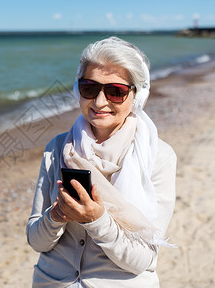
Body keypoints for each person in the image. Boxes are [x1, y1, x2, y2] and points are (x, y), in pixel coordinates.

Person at [26, 36, 177, 287]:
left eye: (116, 92)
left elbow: (143, 258)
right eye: (89, 88)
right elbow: (36, 240)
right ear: (78, 90)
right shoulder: (57, 148)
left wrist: (96, 220)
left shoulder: (158, 157)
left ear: (136, 96)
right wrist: (56, 216)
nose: (99, 102)